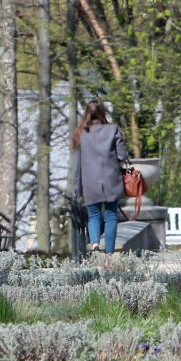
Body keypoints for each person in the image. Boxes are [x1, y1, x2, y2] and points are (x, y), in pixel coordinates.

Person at [71, 100, 128, 254]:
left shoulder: (81, 134)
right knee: (110, 217)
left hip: (90, 182)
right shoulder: (113, 129)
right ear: (103, 113)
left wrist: (76, 189)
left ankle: (95, 244)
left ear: (86, 114)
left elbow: (77, 165)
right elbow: (122, 155)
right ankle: (109, 253)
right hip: (111, 180)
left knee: (94, 216)